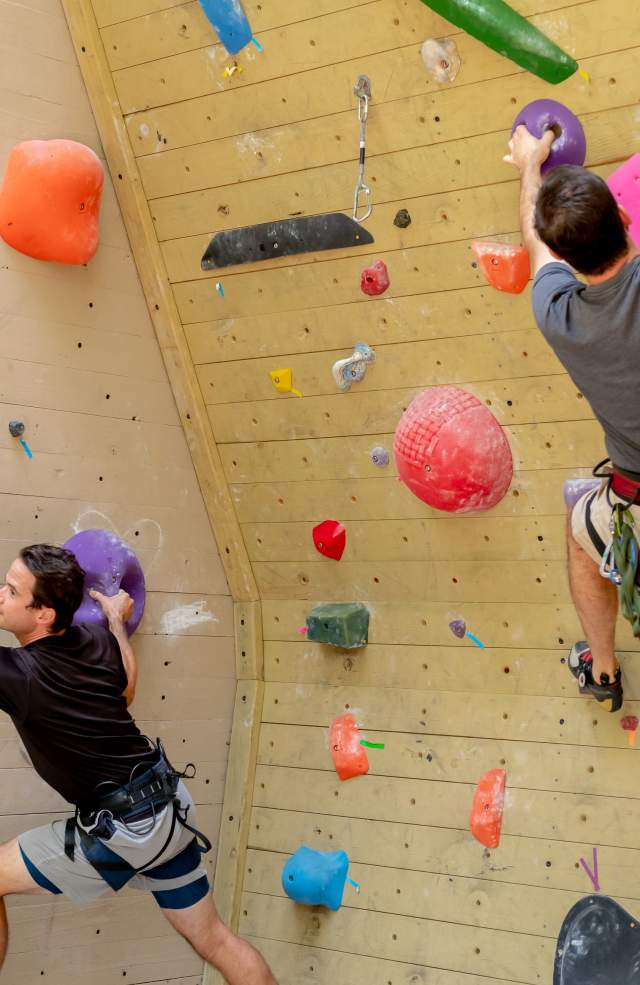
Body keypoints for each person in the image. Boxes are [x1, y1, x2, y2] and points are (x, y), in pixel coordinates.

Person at [0, 543, 277, 984]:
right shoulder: (95, 640)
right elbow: (127, 689)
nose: (1, 594)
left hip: (125, 829)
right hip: (167, 810)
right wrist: (116, 622)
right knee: (216, 941)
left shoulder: (19, 676)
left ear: (44, 614)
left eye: (12, 591)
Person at [505, 126, 640, 713]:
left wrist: (529, 166)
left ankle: (603, 670)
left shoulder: (557, 313)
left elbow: (535, 241)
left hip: (636, 492)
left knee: (583, 531)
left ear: (564, 257)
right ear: (625, 217)